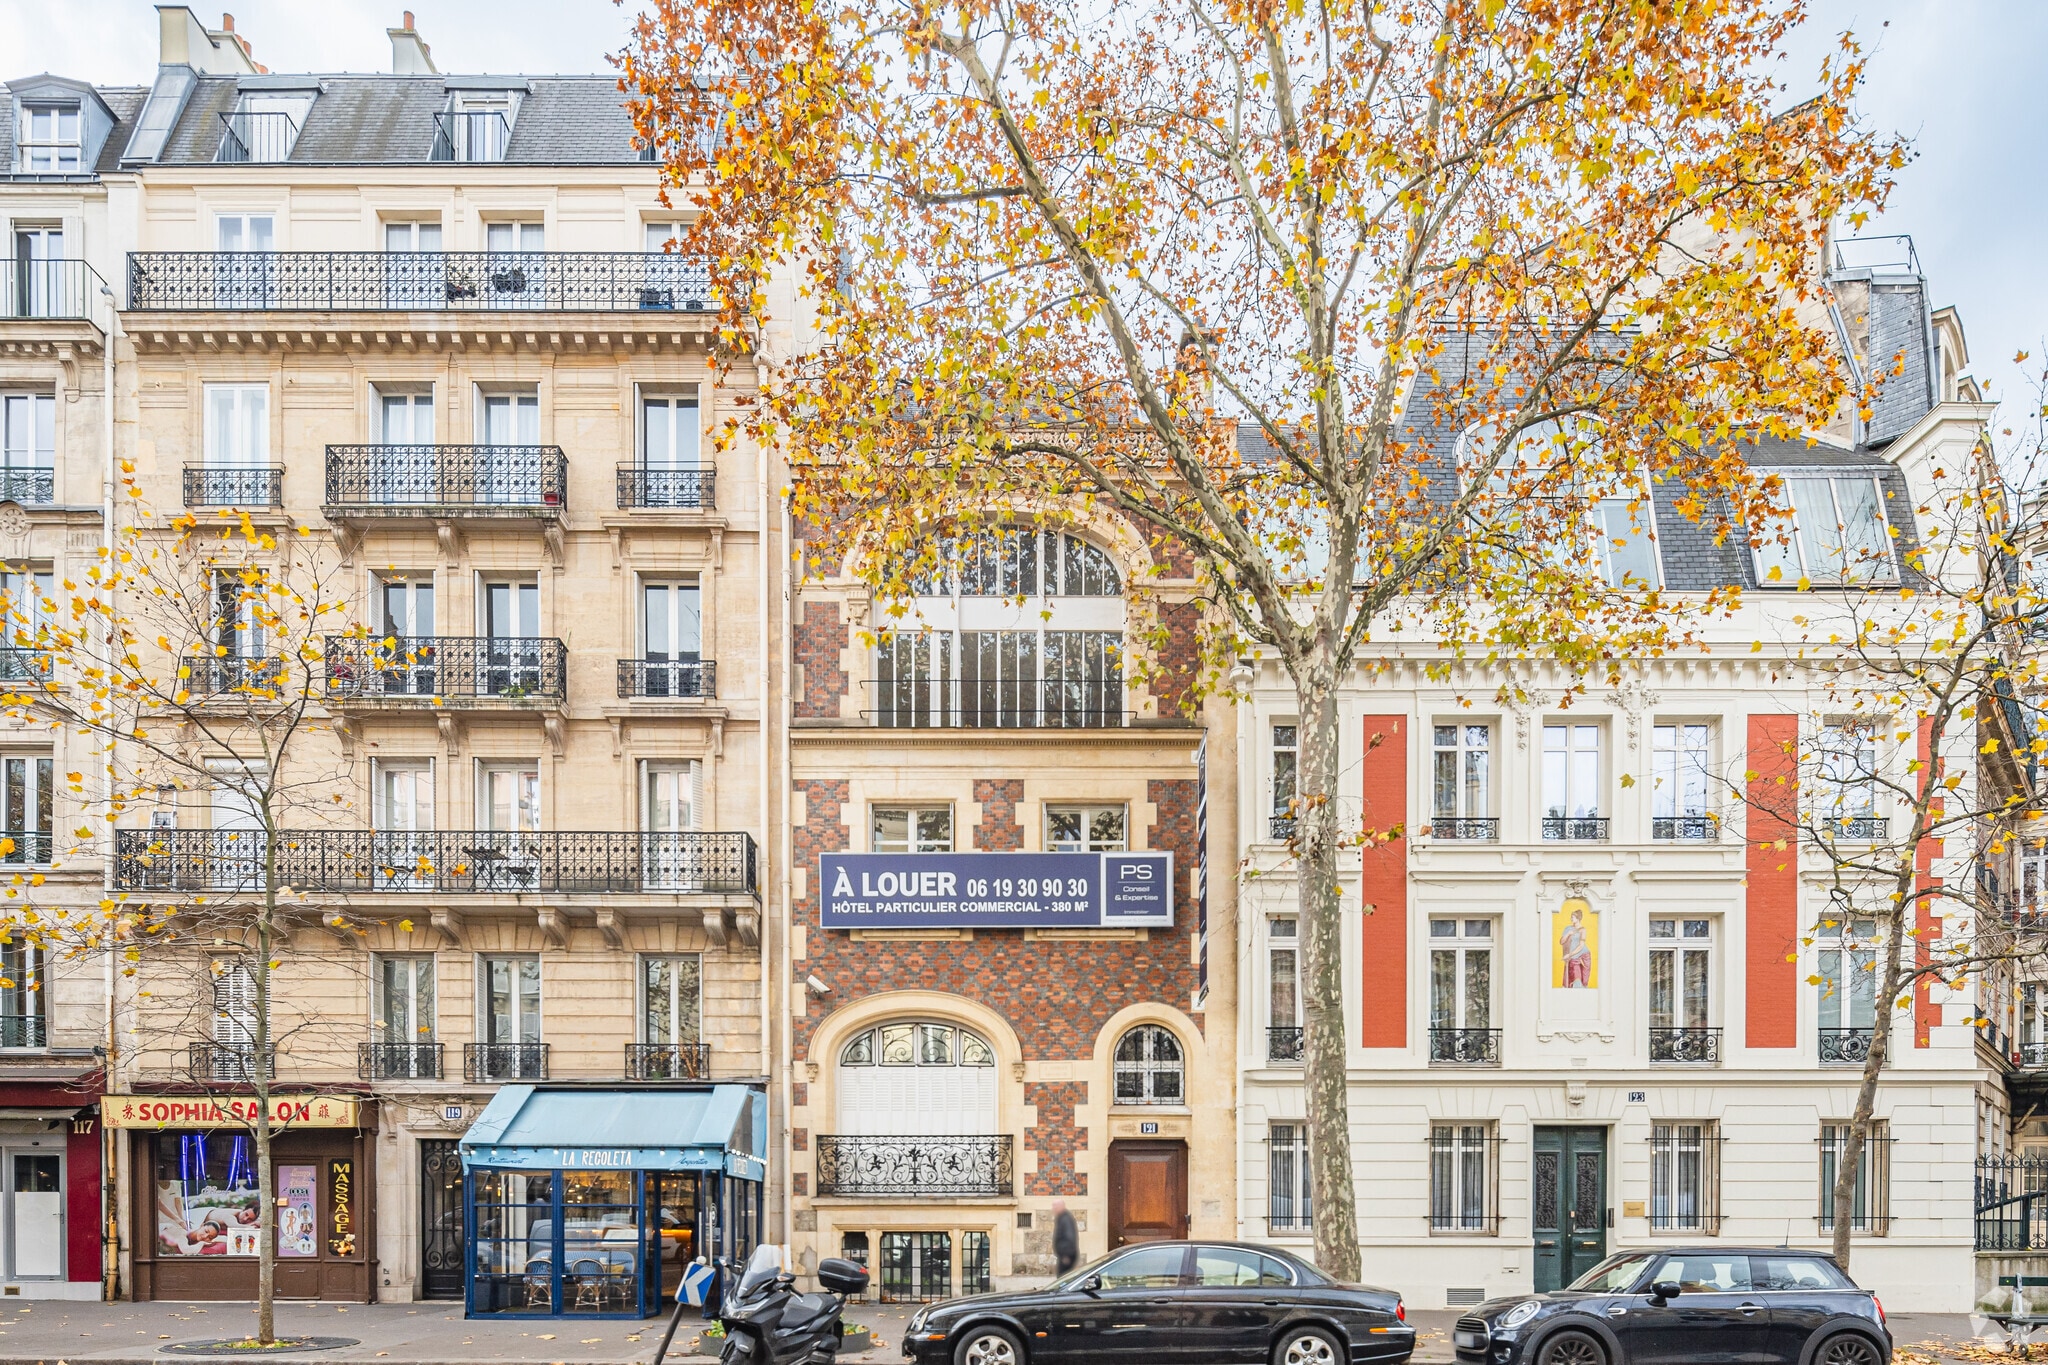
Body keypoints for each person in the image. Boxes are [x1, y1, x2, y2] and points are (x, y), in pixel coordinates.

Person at [1052, 1200, 1079, 1276]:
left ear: (1061, 1206)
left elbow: (1070, 1237)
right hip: (1064, 1255)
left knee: (1063, 1278)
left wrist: (1066, 1255)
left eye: (1055, 1206)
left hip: (1066, 1256)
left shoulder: (1066, 1219)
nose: (1053, 1209)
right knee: (1063, 1277)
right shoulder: (1061, 1218)